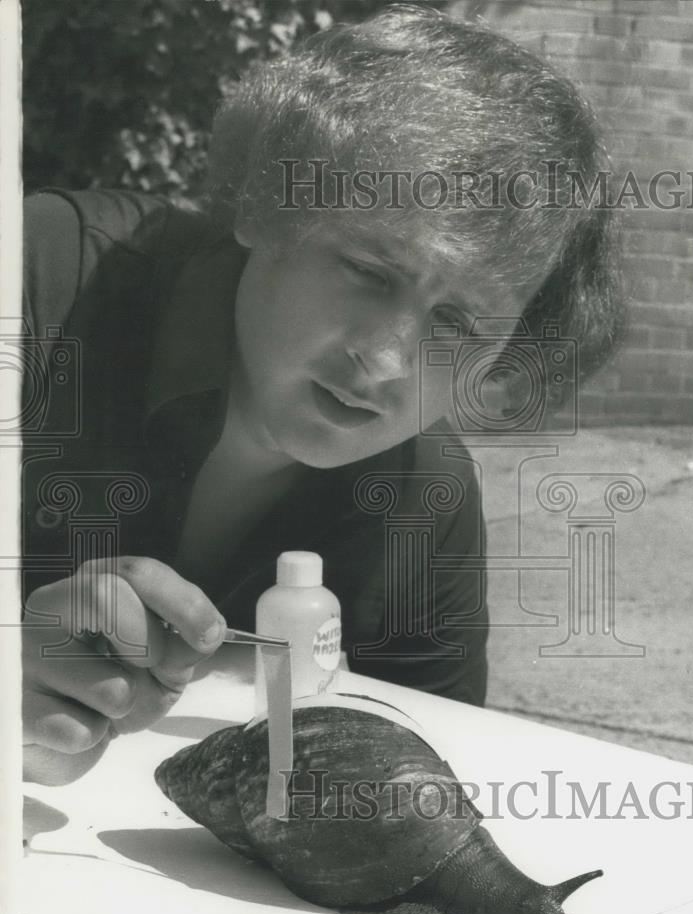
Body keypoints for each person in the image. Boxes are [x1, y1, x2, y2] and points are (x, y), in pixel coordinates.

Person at [21, 5, 620, 785]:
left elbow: (410, 789)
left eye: (459, 323)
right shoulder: (37, 284)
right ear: (262, 207)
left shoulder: (427, 499)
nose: (383, 360)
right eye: (369, 272)